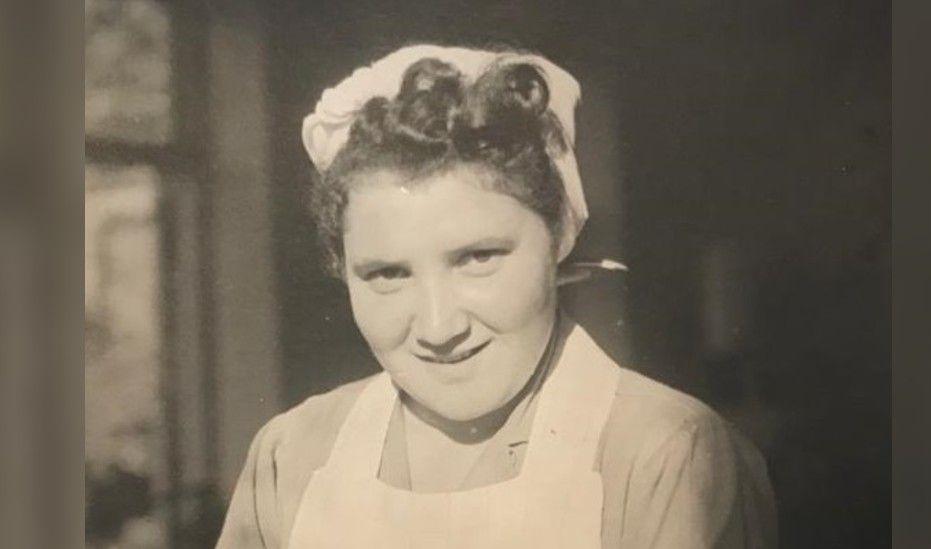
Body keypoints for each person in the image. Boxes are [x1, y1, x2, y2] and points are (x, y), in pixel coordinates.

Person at [216, 44, 777, 548]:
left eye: (478, 258)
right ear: (343, 269)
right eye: (387, 274)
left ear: (558, 236)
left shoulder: (668, 455)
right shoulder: (291, 457)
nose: (438, 328)